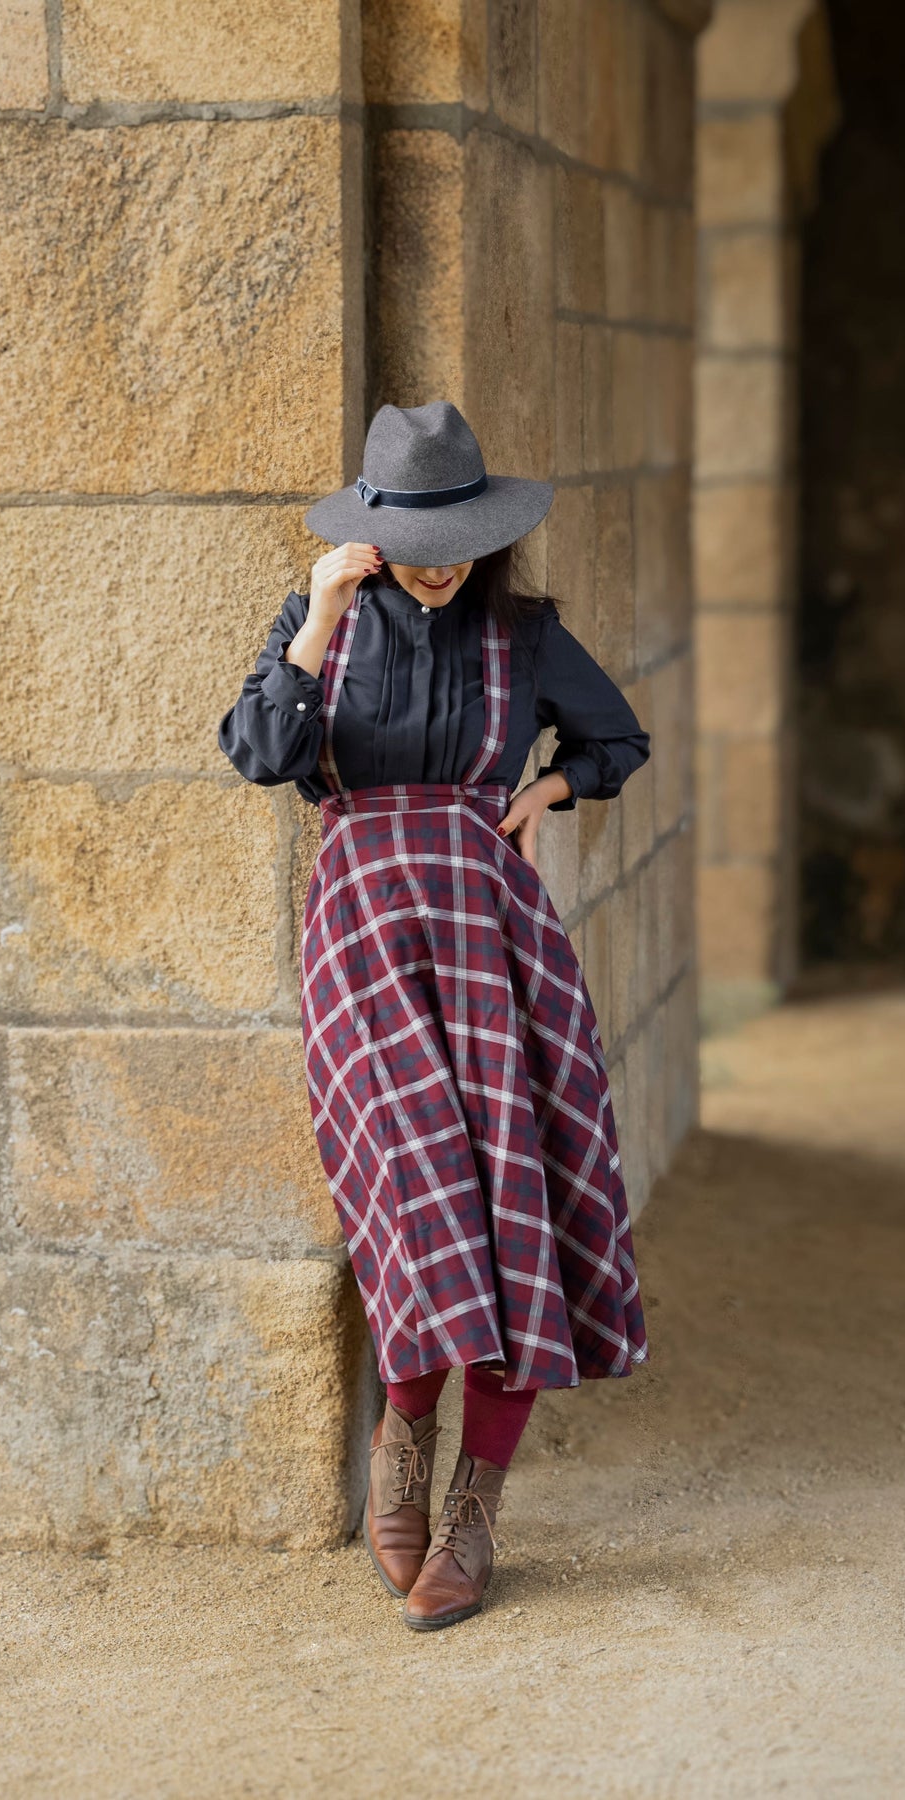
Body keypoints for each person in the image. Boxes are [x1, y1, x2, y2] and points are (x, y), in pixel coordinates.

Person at [218, 400, 651, 1631]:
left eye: (464, 533)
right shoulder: (320, 629)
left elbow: (618, 736)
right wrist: (316, 619)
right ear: (370, 532)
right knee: (412, 1194)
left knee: (516, 1195)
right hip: (360, 940)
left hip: (493, 937)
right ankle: (404, 1437)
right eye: (420, 535)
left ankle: (475, 1505)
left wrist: (551, 786)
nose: (444, 558)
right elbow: (259, 751)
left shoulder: (522, 632)